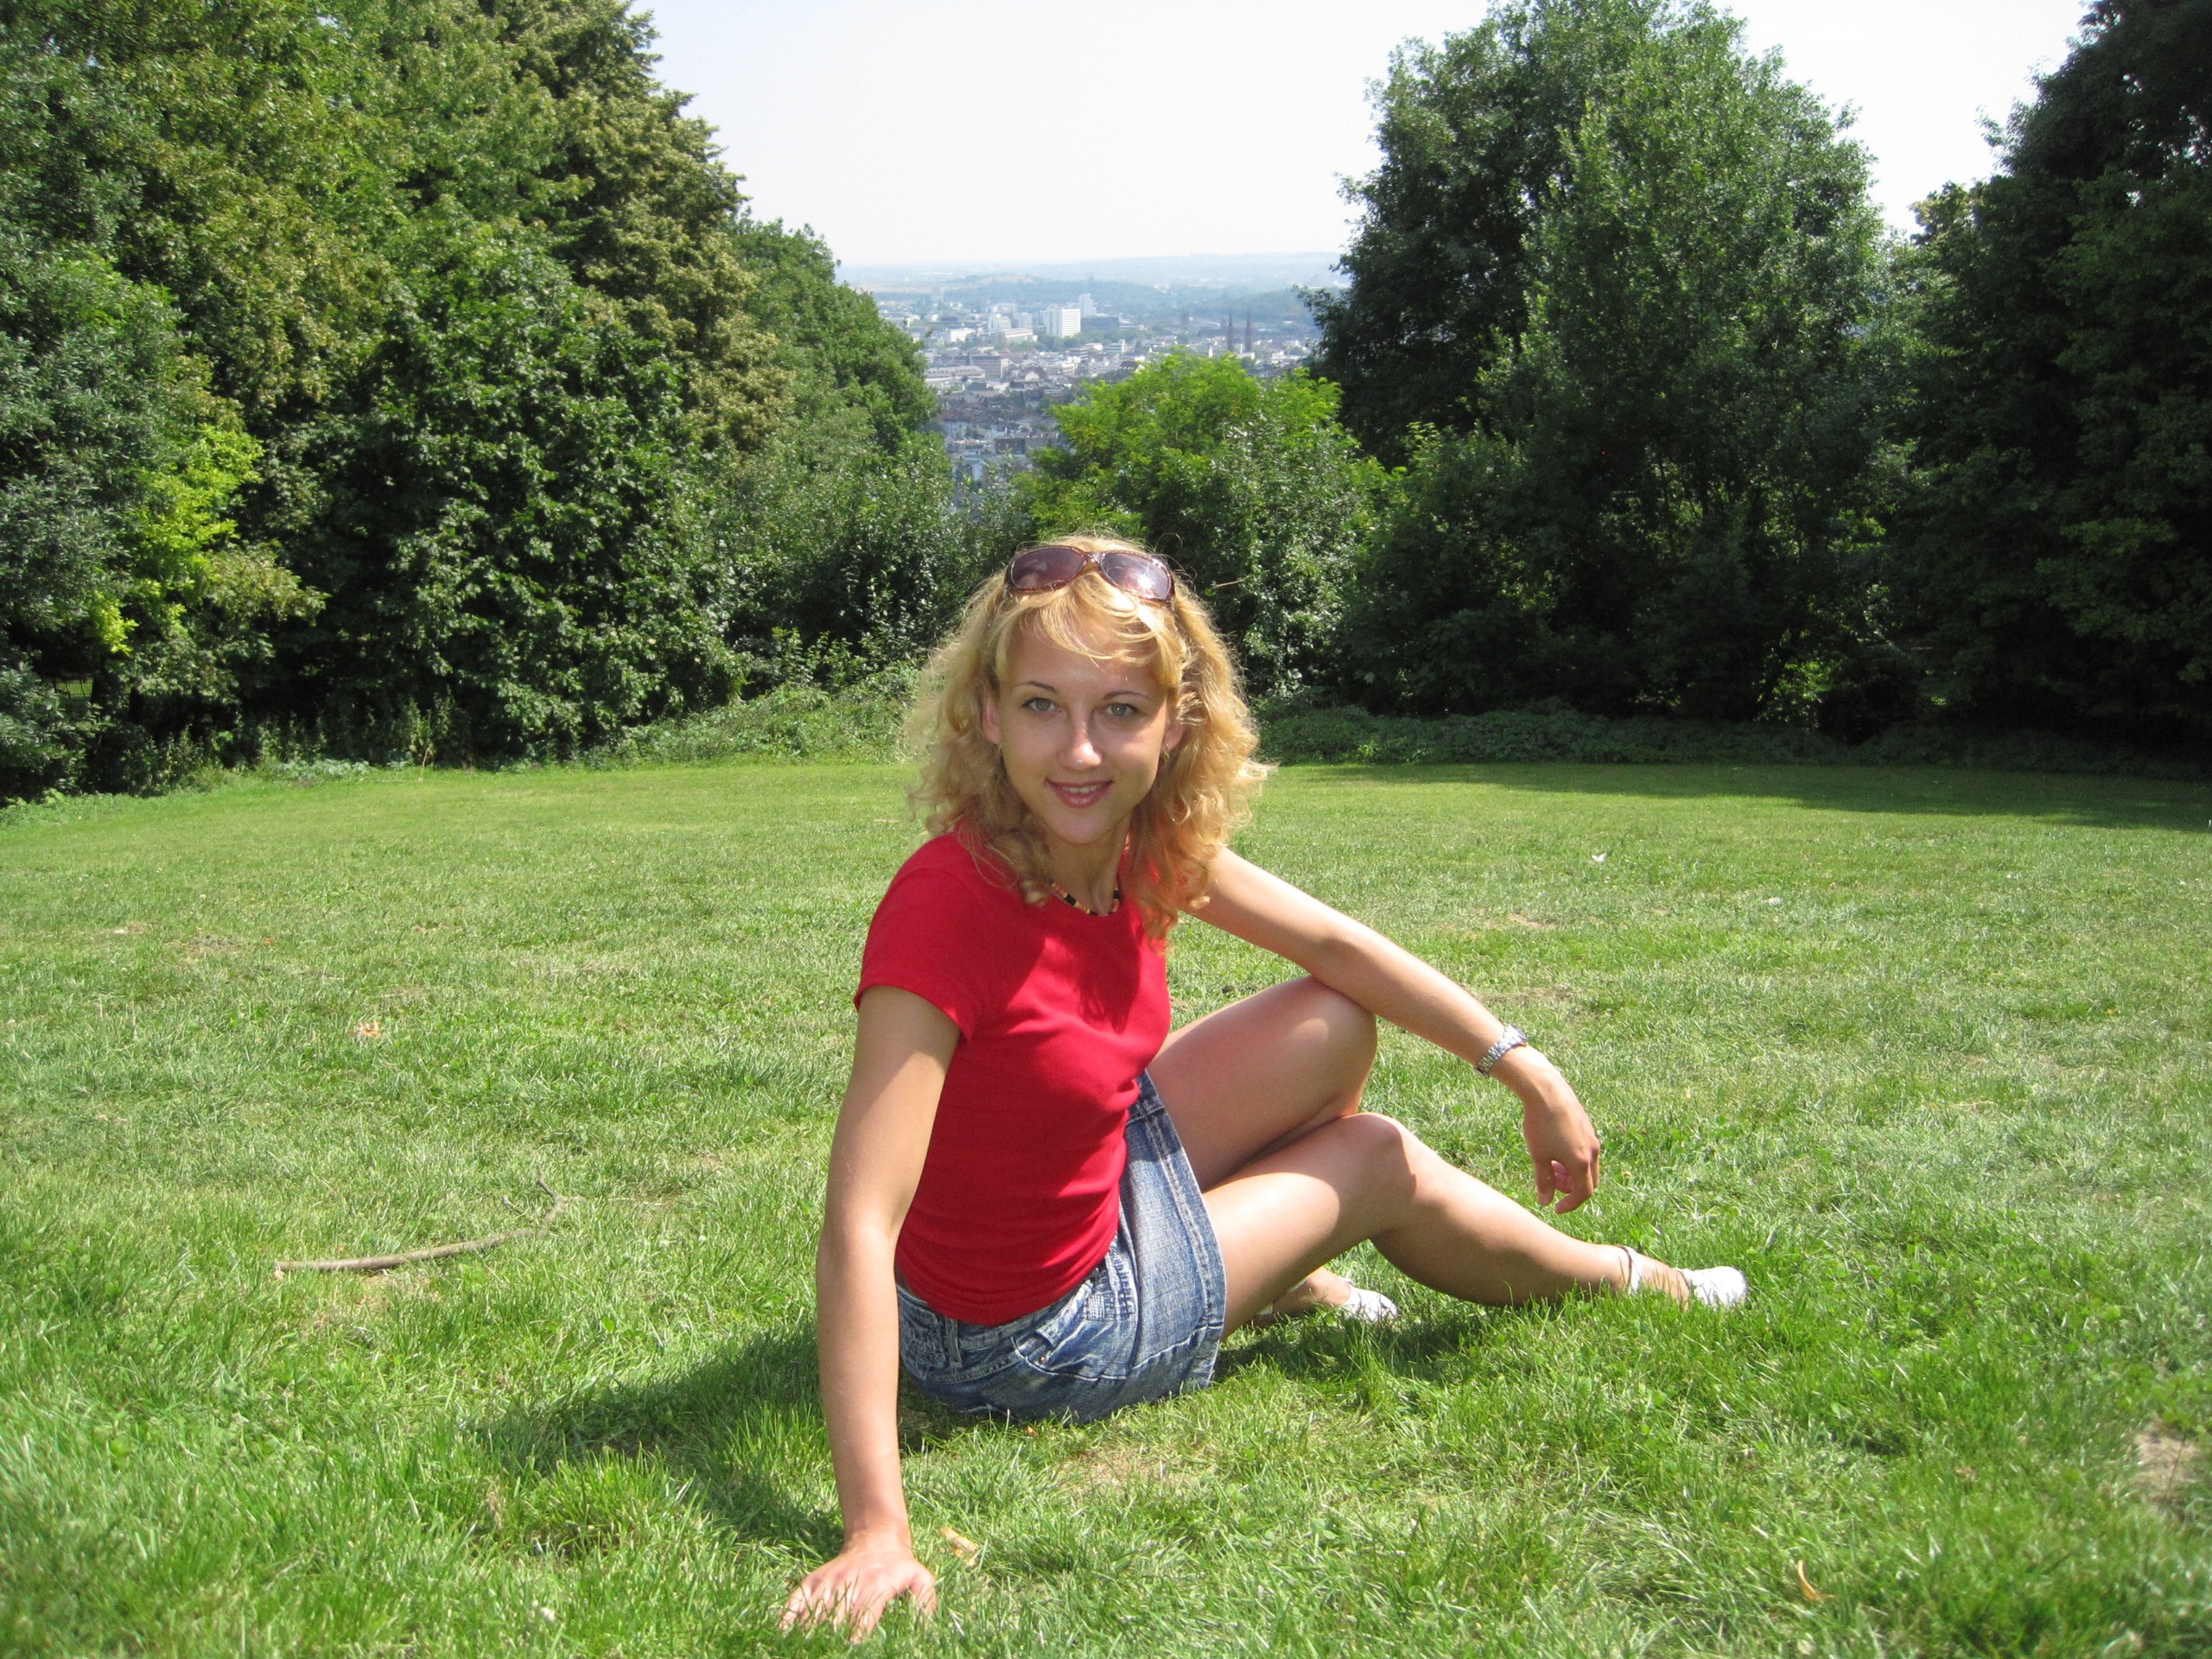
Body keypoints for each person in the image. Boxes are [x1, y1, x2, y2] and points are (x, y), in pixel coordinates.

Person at [783, 537, 1745, 1638]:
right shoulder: (948, 903)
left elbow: (1338, 946)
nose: (1081, 751)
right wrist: (876, 1528)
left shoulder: (1135, 844)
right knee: (1375, 1159)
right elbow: (859, 1221)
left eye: (1120, 711)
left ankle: (1282, 1274)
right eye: (1043, 706)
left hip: (1085, 1199)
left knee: (1328, 1022)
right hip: (1021, 1341)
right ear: (989, 715)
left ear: (1175, 722)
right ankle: (1630, 1280)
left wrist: (1525, 1066)